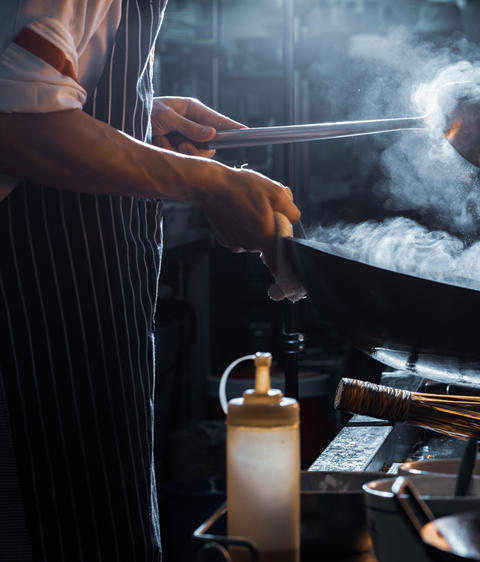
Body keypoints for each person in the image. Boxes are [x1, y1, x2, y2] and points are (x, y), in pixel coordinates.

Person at [0, 1, 301, 559]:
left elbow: (31, 81)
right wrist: (207, 183)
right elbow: (15, 124)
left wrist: (138, 115)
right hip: (27, 319)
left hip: (89, 311)